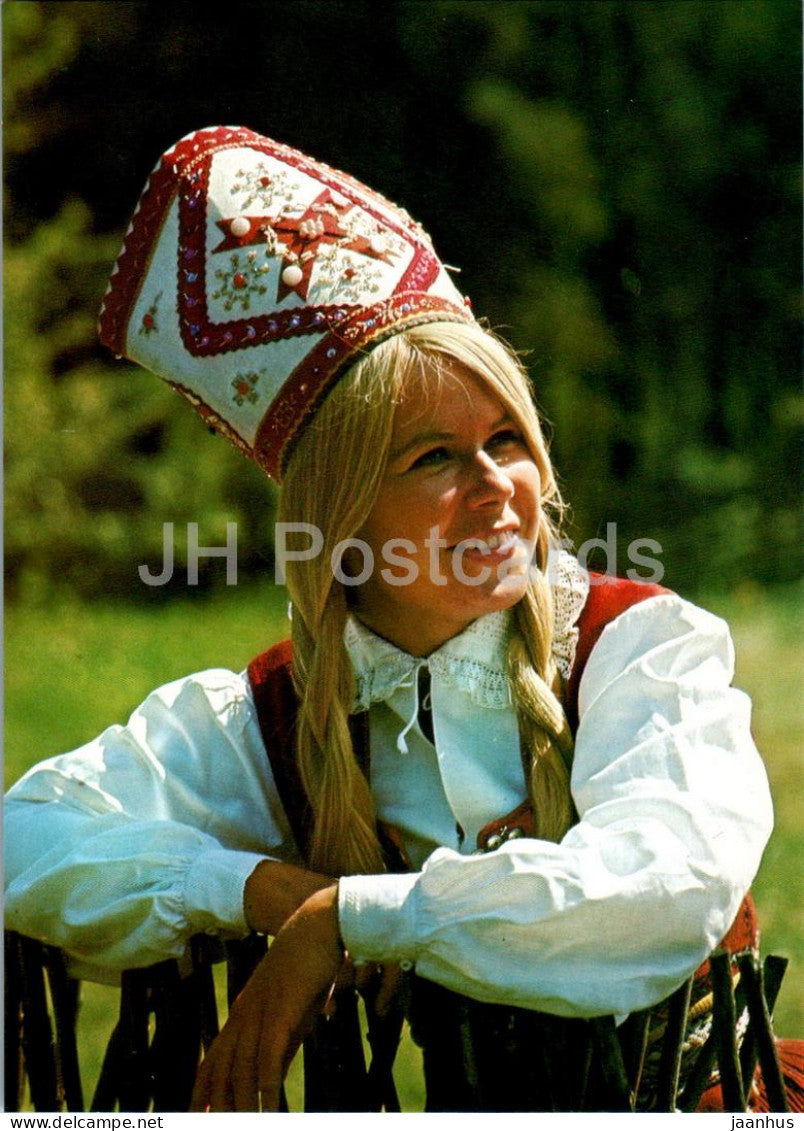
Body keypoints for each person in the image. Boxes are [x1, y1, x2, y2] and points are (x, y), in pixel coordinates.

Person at [2, 126, 792, 1113]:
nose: (500, 488)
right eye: (434, 458)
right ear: (340, 519)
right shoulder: (269, 719)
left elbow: (663, 885)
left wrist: (351, 918)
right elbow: (25, 835)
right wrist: (251, 890)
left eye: (507, 437)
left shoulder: (638, 652)